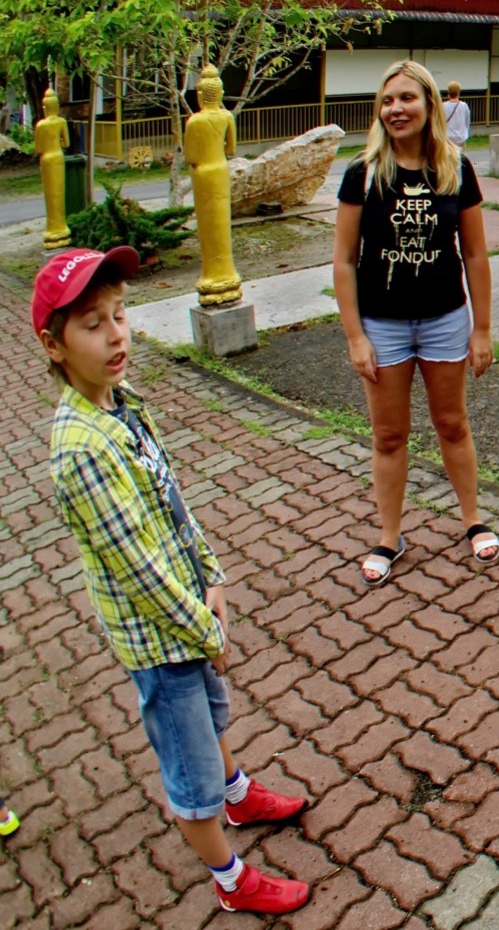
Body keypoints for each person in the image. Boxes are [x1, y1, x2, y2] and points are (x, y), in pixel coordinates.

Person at [37, 246, 313, 915]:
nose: (116, 334)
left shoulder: (122, 404)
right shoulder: (81, 448)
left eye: (120, 315)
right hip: (161, 635)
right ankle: (230, 878)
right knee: (190, 769)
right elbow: (136, 567)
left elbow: (171, 502)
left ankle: (238, 793)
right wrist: (203, 627)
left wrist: (211, 572)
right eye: (92, 323)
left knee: (213, 715)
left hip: (188, 607)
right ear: (54, 344)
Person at [334, 61, 499, 586]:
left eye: (407, 98)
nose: (395, 110)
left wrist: (482, 328)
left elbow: (474, 255)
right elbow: (343, 260)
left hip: (445, 319)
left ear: (429, 105)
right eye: (387, 101)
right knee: (388, 435)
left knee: (452, 424)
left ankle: (472, 521)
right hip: (382, 325)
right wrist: (355, 336)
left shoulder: (456, 170)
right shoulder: (361, 175)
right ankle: (389, 535)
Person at [441, 81, 472, 148]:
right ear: (458, 92)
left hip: (448, 137)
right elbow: (467, 123)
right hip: (461, 137)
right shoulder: (464, 106)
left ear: (448, 92)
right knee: (460, 157)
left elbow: (441, 122)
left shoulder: (443, 106)